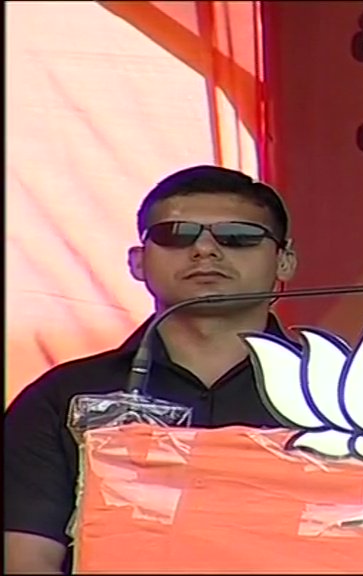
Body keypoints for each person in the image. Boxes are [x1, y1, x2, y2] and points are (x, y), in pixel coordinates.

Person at [4, 165, 298, 574]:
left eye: (238, 237)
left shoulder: (344, 398)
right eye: (176, 235)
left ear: (285, 262)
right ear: (138, 262)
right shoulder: (62, 397)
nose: (205, 251)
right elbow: (26, 558)